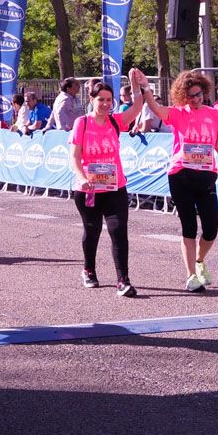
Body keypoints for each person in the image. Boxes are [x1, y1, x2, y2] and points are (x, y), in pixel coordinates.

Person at [136, 69, 218, 292]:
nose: (195, 99)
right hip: (180, 174)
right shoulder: (178, 113)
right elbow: (156, 109)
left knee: (211, 229)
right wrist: (147, 87)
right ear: (182, 96)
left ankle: (199, 260)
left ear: (204, 92)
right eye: (190, 96)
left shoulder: (213, 114)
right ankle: (190, 275)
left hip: (206, 176)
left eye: (198, 95)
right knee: (189, 226)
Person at [71, 77, 150, 297]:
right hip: (89, 190)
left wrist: (136, 85)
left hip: (115, 188)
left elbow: (137, 106)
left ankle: (123, 280)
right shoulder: (82, 123)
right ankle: (88, 269)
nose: (106, 104)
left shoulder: (116, 121)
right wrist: (82, 177)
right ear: (92, 99)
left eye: (109, 100)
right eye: (101, 100)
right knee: (92, 231)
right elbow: (75, 158)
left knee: (118, 233)